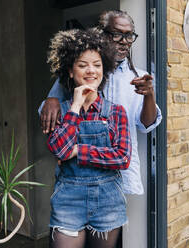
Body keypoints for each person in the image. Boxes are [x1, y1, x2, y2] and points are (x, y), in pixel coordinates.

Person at [40, 10, 162, 196]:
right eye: (117, 34)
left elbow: (146, 124)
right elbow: (51, 118)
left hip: (118, 173)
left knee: (112, 221)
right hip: (77, 174)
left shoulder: (137, 77)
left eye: (129, 36)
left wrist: (149, 95)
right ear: (101, 35)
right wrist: (52, 99)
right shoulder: (83, 72)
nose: (124, 41)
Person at [46, 28, 132, 248]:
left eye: (97, 64)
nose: (91, 70)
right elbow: (60, 150)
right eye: (82, 65)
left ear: (105, 69)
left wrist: (79, 151)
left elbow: (122, 158)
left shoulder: (116, 112)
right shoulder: (60, 111)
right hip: (68, 201)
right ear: (70, 70)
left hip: (108, 201)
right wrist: (75, 105)